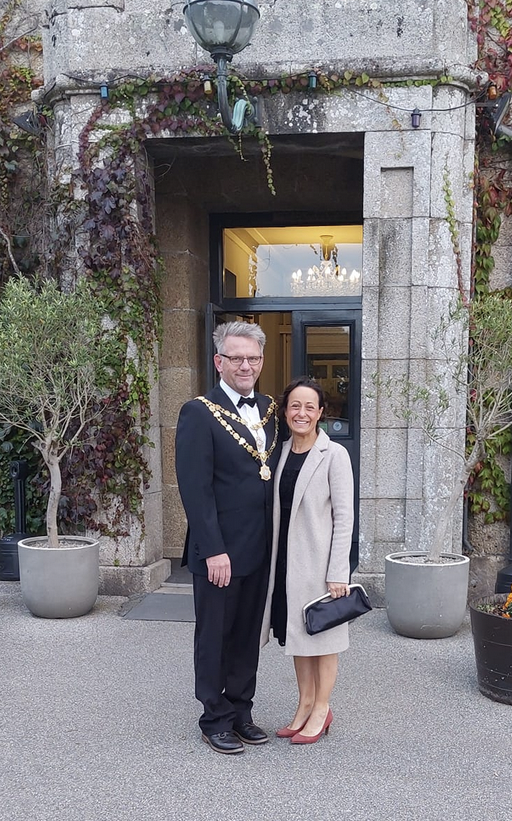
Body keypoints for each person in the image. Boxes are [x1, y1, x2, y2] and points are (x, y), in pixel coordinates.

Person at [175, 321, 280, 755]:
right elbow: (194, 489)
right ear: (219, 362)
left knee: (247, 635)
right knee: (215, 635)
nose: (245, 366)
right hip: (220, 552)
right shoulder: (198, 412)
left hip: (260, 546)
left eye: (253, 358)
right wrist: (213, 549)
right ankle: (214, 717)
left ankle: (240, 711)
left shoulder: (270, 408)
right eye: (236, 358)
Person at [260, 376, 355, 746]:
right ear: (285, 412)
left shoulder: (334, 455)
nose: (302, 413)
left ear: (320, 412)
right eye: (295, 406)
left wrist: (338, 572)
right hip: (286, 563)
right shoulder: (279, 452)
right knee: (298, 637)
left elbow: (344, 518)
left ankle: (322, 708)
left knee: (324, 638)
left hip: (319, 564)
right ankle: (304, 705)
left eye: (309, 407)